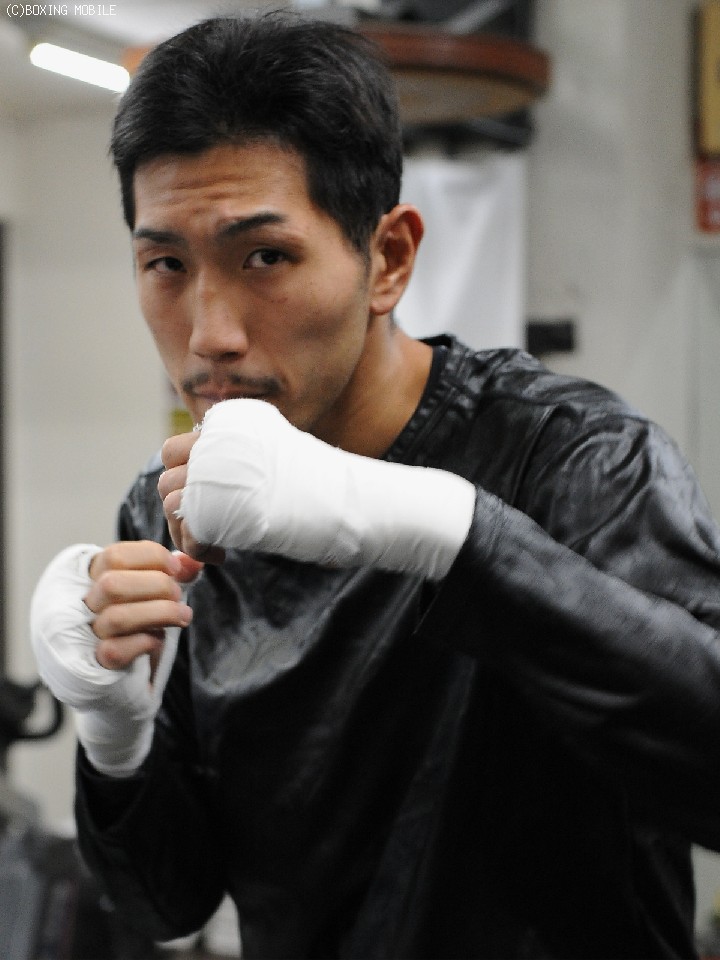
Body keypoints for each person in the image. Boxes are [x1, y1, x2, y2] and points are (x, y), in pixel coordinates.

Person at [28, 11, 720, 960]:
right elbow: (168, 905)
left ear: (387, 258)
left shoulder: (572, 458)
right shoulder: (170, 512)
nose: (209, 334)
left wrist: (450, 529)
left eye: (265, 257)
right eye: (166, 265)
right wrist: (115, 735)